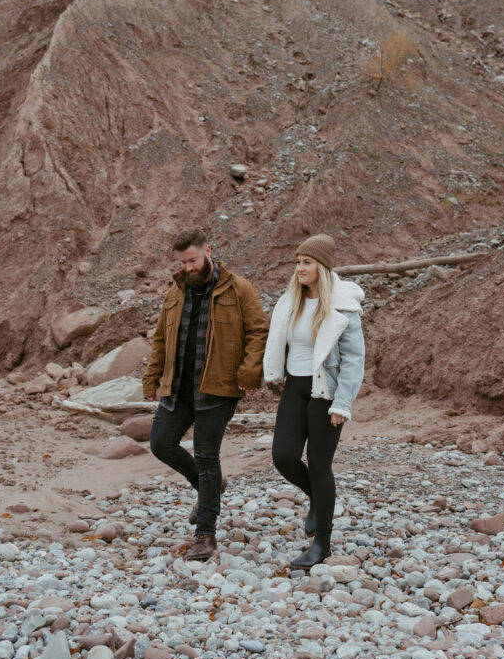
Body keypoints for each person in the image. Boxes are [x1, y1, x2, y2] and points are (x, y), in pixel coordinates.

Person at [143, 227, 269, 561]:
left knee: (206, 455)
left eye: (193, 260)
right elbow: (160, 337)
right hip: (179, 386)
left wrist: (248, 373)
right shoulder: (176, 290)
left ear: (208, 250)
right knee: (161, 443)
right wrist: (151, 377)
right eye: (182, 262)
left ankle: (206, 535)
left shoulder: (239, 289)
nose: (187, 268)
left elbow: (259, 331)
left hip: (218, 387)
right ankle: (209, 487)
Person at [264, 233, 365, 569]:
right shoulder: (289, 301)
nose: (299, 268)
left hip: (326, 392)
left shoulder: (343, 307)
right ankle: (318, 499)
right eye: (297, 262)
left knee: (320, 466)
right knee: (283, 456)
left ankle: (322, 543)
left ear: (322, 266)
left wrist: (342, 404)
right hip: (295, 387)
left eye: (306, 262)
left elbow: (354, 359)